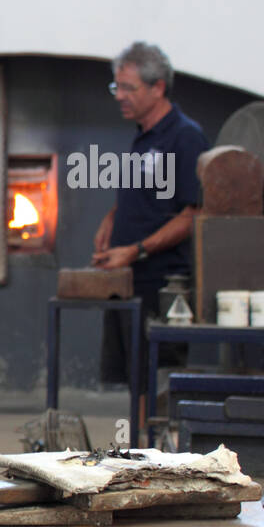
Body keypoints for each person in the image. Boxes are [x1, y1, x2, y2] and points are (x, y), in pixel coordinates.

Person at [92, 42, 209, 388]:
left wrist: (136, 250)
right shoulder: (143, 138)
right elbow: (144, 192)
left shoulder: (185, 137)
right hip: (127, 279)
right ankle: (137, 439)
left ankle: (150, 441)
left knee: (153, 379)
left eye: (128, 88)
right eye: (117, 87)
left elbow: (192, 215)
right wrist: (112, 218)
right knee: (133, 379)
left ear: (158, 87)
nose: (119, 96)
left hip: (160, 284)